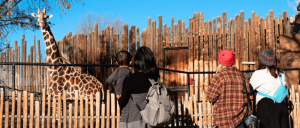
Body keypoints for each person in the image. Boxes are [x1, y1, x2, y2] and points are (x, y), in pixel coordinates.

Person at [206, 49, 250, 128]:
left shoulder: (219, 77)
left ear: (220, 61)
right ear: (233, 61)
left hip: (223, 121)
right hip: (239, 120)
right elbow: (248, 93)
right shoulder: (242, 76)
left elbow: (210, 97)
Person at [118, 46, 159, 128]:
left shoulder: (131, 79)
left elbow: (122, 102)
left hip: (133, 122)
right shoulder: (155, 79)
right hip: (152, 121)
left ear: (137, 61)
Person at [250, 50, 289, 128]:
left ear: (261, 62)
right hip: (282, 107)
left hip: (267, 109)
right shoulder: (281, 72)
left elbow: (249, 89)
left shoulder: (258, 74)